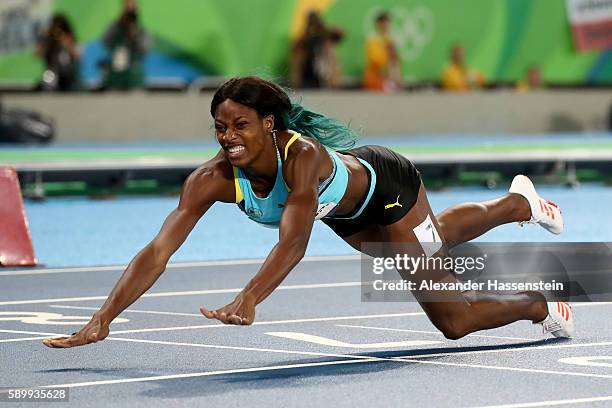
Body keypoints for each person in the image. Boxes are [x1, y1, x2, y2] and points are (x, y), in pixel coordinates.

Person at [42, 76, 573, 349]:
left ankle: (538, 305)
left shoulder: (303, 159)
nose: (228, 137)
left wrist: (249, 297)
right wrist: (102, 319)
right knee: (431, 244)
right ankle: (519, 202)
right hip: (346, 214)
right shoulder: (209, 181)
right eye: (220, 128)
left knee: (454, 321)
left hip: (388, 185)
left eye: (241, 125)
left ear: (269, 123)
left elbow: (293, 243)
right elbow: (159, 250)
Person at [101, 0, 151, 90]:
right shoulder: (114, 28)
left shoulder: (143, 31)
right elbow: (105, 42)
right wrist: (120, 22)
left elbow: (145, 50)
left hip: (135, 80)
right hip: (115, 80)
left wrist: (134, 34)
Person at [290, 10, 344, 89]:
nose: (313, 23)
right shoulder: (305, 36)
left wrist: (325, 29)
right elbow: (296, 49)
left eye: (315, 20)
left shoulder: (325, 34)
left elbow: (340, 33)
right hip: (309, 72)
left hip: (325, 71)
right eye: (311, 20)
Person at [35, 13, 80, 92]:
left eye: (61, 28)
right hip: (51, 74)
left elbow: (77, 56)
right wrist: (46, 39)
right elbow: (37, 54)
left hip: (67, 75)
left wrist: (64, 41)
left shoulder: (69, 38)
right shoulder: (48, 39)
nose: (58, 31)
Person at [363, 11, 402, 92]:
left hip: (388, 76)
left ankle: (395, 83)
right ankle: (391, 84)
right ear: (378, 24)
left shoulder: (391, 39)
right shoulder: (372, 39)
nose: (385, 25)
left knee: (395, 64)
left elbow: (395, 61)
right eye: (383, 23)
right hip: (376, 76)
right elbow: (376, 61)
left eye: (387, 23)